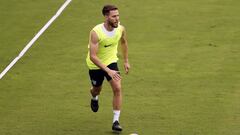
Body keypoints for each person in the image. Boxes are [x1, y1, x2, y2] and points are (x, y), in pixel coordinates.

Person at [86, 4, 130, 132]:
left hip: (111, 61)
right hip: (95, 65)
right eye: (114, 16)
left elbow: (124, 42)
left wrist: (126, 61)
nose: (117, 18)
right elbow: (93, 56)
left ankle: (116, 121)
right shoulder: (96, 32)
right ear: (106, 17)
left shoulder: (121, 29)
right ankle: (94, 97)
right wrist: (107, 70)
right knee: (96, 89)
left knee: (117, 88)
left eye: (118, 15)